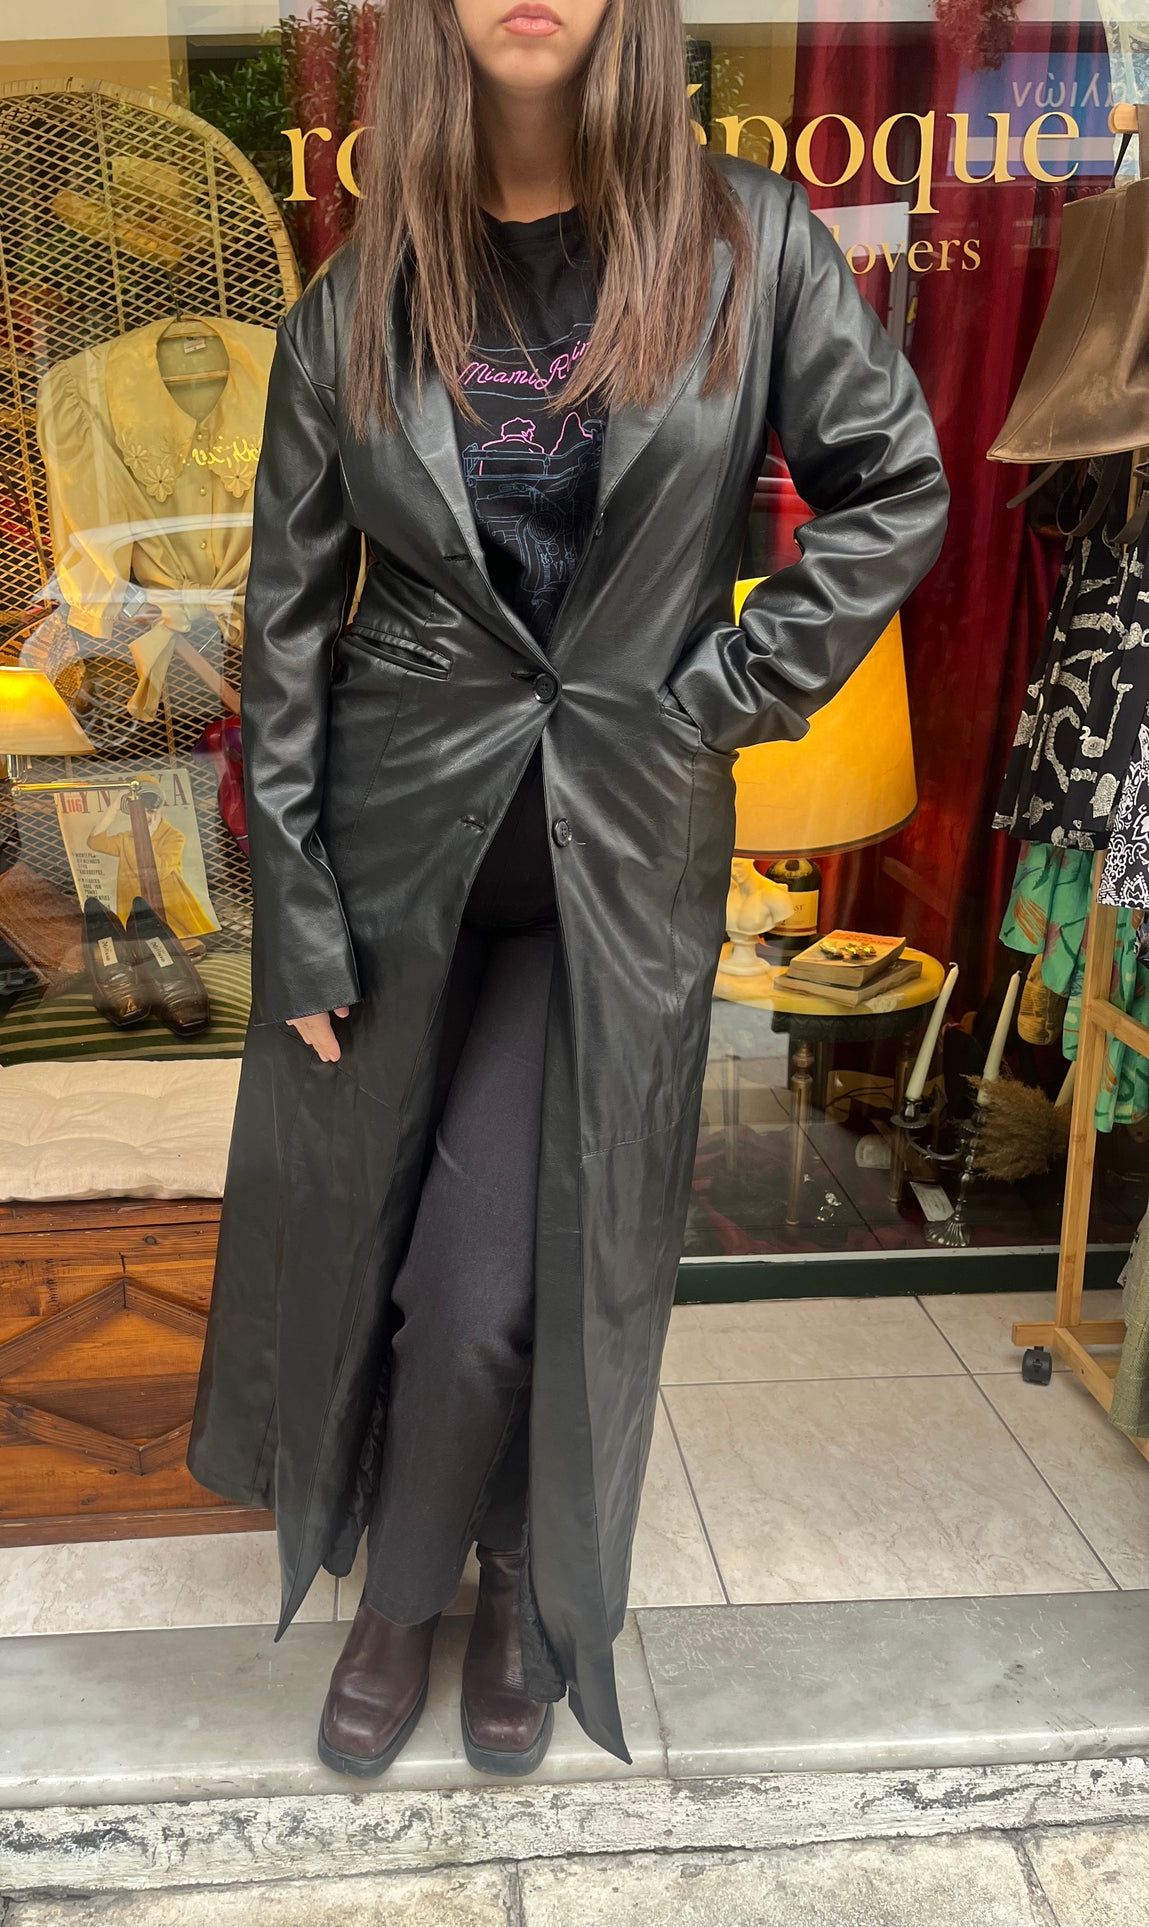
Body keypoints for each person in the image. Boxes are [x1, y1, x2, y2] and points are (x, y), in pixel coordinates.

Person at [185, 0, 948, 1779]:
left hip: (615, 856)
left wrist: (726, 688)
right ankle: (505, 1569)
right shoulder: (357, 297)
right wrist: (295, 907)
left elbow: (891, 490)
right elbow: (283, 624)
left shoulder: (749, 244)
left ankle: (426, 1600)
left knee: (493, 1281)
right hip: (395, 856)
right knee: (368, 1246)